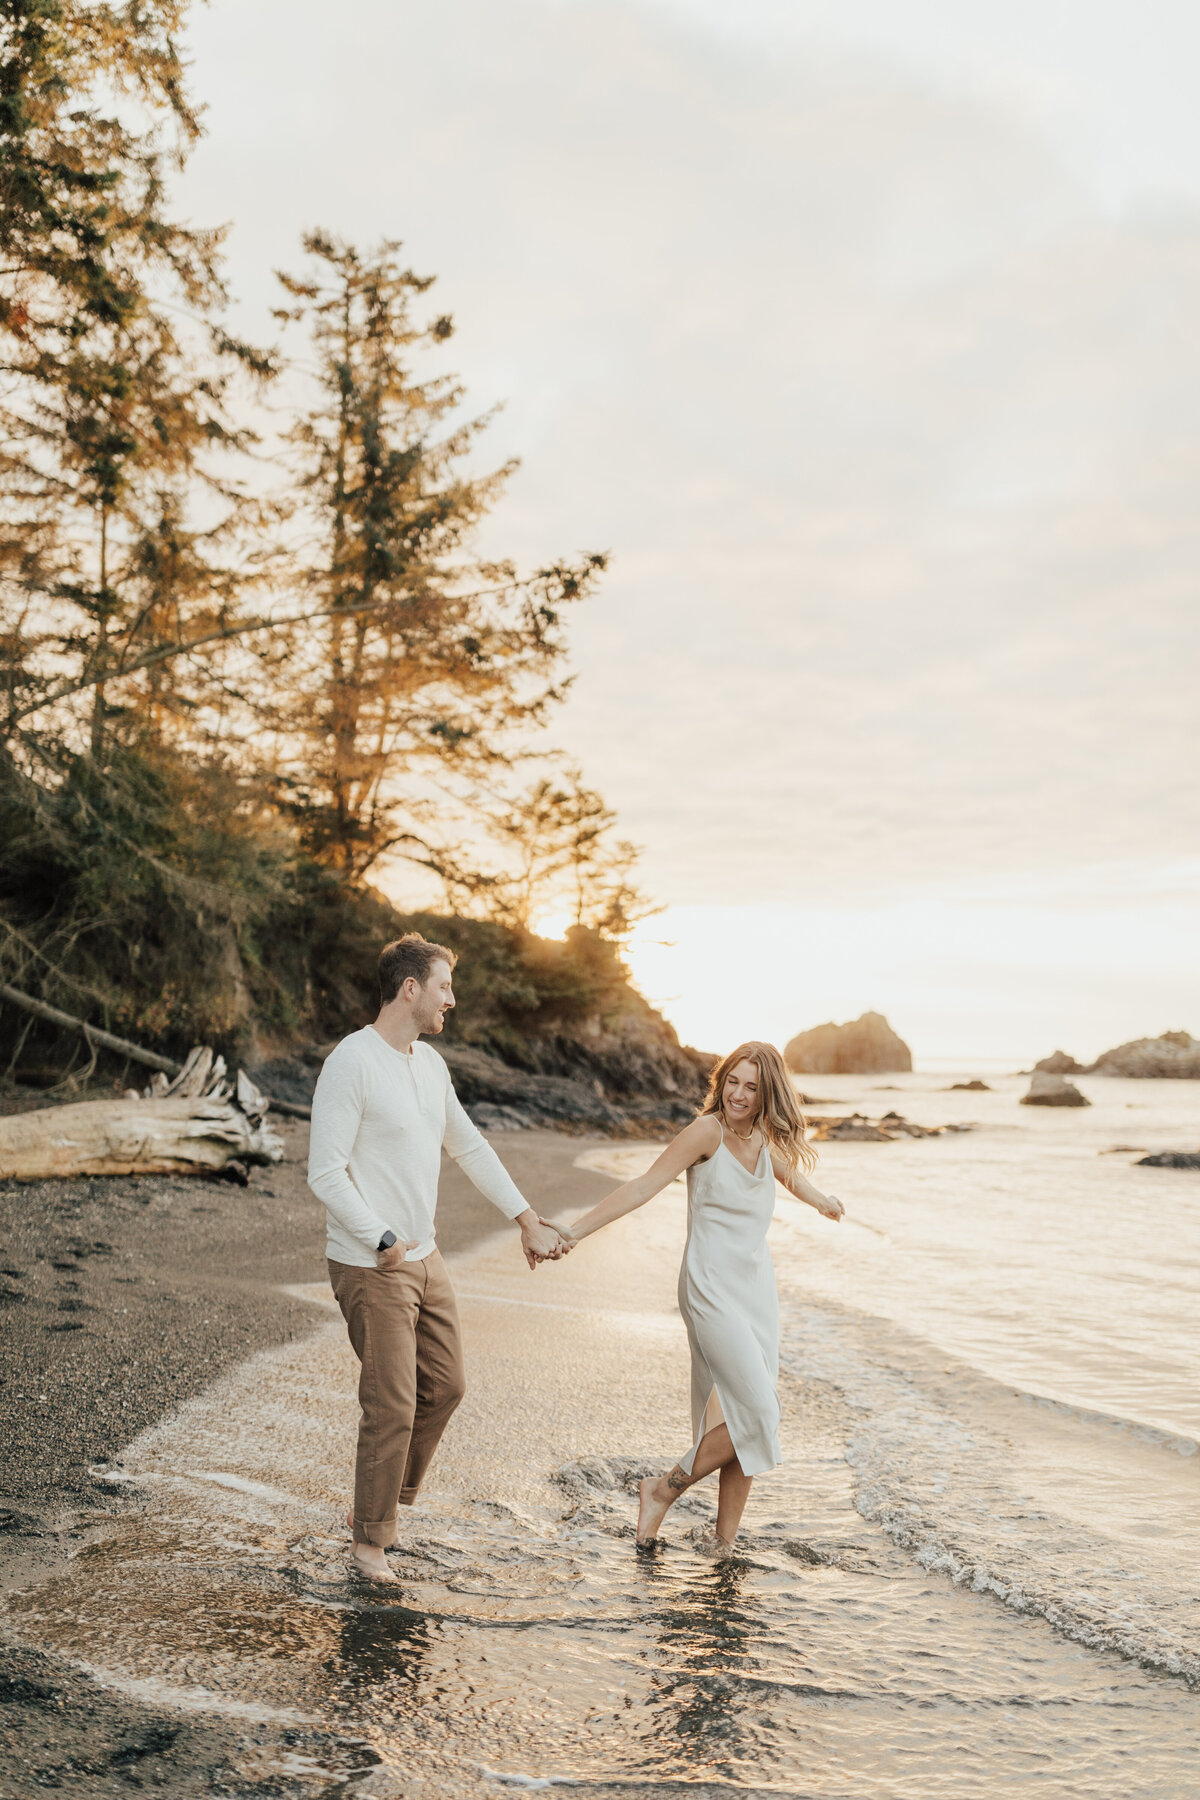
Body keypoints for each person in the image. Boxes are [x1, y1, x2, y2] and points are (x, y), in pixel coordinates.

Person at [308, 932, 568, 1581]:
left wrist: (527, 1219)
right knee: (391, 1404)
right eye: (445, 986)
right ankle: (370, 1545)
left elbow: (471, 1147)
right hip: (374, 1265)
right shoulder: (352, 1061)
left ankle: (381, 1502)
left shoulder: (430, 1066)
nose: (452, 998)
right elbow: (325, 1172)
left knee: (446, 1387)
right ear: (410, 988)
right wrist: (381, 1237)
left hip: (426, 1258)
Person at [548, 1041, 843, 1553]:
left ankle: (724, 1543)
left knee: (739, 1419)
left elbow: (785, 1172)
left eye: (752, 1087)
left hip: (757, 1294)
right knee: (760, 1414)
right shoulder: (706, 1132)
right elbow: (644, 1185)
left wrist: (820, 1200)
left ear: (767, 1093)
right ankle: (661, 1491)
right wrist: (574, 1230)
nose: (738, 1094)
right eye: (733, 1081)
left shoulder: (763, 1139)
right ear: (721, 1081)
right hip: (709, 1287)